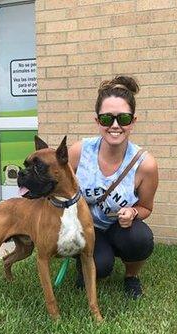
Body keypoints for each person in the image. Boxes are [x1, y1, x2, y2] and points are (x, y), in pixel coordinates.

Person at [68, 75, 159, 298]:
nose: (115, 126)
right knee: (102, 266)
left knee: (141, 239)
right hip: (85, 227)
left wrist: (134, 212)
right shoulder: (80, 151)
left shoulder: (145, 164)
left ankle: (131, 277)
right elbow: (61, 190)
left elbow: (146, 207)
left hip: (119, 228)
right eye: (107, 119)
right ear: (97, 121)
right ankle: (89, 263)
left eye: (123, 118)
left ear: (133, 121)